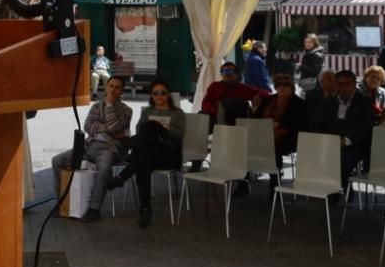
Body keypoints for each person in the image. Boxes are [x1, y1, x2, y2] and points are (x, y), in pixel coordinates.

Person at [51, 76, 132, 222]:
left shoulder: (127, 110)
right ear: (106, 87)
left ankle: (94, 209)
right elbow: (88, 126)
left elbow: (116, 127)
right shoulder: (95, 106)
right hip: (89, 146)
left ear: (122, 91)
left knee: (104, 168)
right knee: (57, 161)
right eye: (111, 86)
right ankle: (62, 204)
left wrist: (109, 107)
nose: (113, 89)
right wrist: (107, 129)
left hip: (109, 148)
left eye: (117, 87)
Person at [107, 79, 185, 228]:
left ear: (168, 95)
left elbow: (179, 135)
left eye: (163, 93)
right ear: (152, 95)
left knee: (150, 127)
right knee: (144, 162)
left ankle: (122, 173)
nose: (159, 96)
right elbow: (139, 130)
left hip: (169, 154)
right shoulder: (148, 111)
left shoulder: (177, 113)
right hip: (150, 153)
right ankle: (145, 210)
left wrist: (164, 127)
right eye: (155, 93)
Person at [322, 70, 375, 198]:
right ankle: (339, 186)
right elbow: (323, 123)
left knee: (342, 161)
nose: (344, 87)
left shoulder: (365, 101)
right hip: (332, 142)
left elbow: (366, 127)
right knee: (318, 155)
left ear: (354, 84)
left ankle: (338, 189)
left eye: (347, 83)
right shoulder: (329, 102)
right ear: (336, 85)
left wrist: (346, 141)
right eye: (340, 84)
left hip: (356, 144)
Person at [253, 73, 307, 193]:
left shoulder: (299, 104)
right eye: (278, 84)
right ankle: (243, 181)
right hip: (264, 134)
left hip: (289, 137)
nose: (281, 87)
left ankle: (274, 181)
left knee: (273, 147)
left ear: (291, 86)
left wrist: (278, 125)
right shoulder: (268, 100)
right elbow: (255, 118)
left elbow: (299, 124)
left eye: (285, 84)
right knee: (246, 144)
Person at [199, 61, 267, 130]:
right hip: (214, 115)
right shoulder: (214, 86)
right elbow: (205, 103)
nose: (227, 74)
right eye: (225, 71)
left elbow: (265, 93)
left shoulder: (242, 88)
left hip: (234, 120)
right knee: (200, 117)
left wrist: (259, 95)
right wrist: (216, 111)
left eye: (230, 71)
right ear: (221, 74)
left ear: (236, 74)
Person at [304, 69, 338, 133]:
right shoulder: (311, 95)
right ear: (321, 82)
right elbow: (308, 117)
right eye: (329, 79)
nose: (333, 81)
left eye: (335, 79)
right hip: (315, 133)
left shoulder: (343, 95)